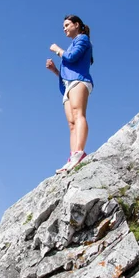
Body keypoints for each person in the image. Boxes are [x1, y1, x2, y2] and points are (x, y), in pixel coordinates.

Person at [46, 14, 94, 174]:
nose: (65, 28)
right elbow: (68, 72)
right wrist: (55, 71)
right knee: (71, 123)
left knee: (78, 114)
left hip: (79, 81)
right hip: (68, 85)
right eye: (63, 27)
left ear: (77, 24)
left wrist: (58, 50)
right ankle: (73, 156)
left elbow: (72, 57)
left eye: (67, 25)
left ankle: (80, 152)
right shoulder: (74, 43)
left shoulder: (82, 39)